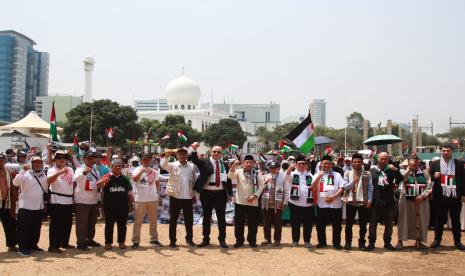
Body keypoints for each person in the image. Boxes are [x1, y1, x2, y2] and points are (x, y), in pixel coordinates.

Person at [191, 143, 232, 249]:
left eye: (219, 152)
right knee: (207, 217)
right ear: (211, 152)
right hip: (207, 194)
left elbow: (229, 180)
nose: (216, 153)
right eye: (214, 151)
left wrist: (230, 193)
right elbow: (195, 161)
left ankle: (222, 240)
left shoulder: (225, 164)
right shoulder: (205, 162)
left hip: (221, 194)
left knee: (221, 218)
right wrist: (194, 149)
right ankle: (205, 239)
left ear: (222, 154)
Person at [429, 144, 465, 250]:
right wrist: (433, 176)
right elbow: (429, 179)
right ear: (441, 151)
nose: (445, 152)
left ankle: (457, 241)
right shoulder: (435, 164)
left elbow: (463, 180)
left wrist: (463, 194)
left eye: (448, 151)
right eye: (444, 150)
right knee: (439, 219)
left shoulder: (459, 164)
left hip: (455, 196)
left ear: (451, 151)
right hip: (440, 196)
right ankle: (437, 239)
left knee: (455, 219)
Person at [161, 148, 197, 248]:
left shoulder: (191, 166)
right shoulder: (172, 165)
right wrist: (167, 156)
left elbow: (194, 180)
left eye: (184, 154)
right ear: (177, 156)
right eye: (180, 154)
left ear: (187, 155)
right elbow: (163, 165)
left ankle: (189, 239)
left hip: (188, 197)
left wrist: (194, 195)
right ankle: (172, 241)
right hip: (175, 196)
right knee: (173, 219)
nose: (182, 156)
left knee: (189, 220)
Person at [367, 152, 403, 251]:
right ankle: (371, 243)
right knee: (373, 224)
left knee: (389, 224)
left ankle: (387, 243)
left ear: (388, 160)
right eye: (382, 159)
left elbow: (400, 179)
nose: (383, 161)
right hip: (375, 202)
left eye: (385, 159)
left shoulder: (391, 170)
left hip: (389, 202)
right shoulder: (371, 171)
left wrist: (395, 169)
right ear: (377, 159)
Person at [13, 156, 48, 256]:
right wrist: (23, 171)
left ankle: (33, 245)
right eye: (35, 162)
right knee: (24, 229)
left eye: (39, 162)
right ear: (31, 164)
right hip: (26, 206)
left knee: (36, 228)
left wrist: (45, 203)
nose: (37, 164)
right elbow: (15, 183)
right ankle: (23, 248)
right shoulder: (25, 173)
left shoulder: (43, 175)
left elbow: (45, 190)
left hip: (39, 206)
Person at [228, 155, 264, 248]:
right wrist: (233, 166)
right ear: (244, 163)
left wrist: (255, 196)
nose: (249, 164)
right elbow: (230, 176)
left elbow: (261, 186)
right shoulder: (239, 171)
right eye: (247, 162)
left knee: (253, 223)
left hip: (253, 201)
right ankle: (239, 240)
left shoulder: (257, 172)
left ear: (254, 163)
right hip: (240, 201)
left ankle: (252, 241)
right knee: (239, 223)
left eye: (251, 162)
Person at [397, 155, 432, 249]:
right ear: (408, 162)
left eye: (416, 161)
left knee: (422, 220)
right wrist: (408, 169)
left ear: (419, 162)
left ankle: (419, 240)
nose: (415, 163)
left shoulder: (424, 172)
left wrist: (423, 195)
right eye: (412, 161)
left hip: (421, 201)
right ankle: (400, 240)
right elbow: (402, 179)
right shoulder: (403, 171)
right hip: (406, 200)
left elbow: (429, 186)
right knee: (404, 220)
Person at [312, 155, 347, 249]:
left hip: (335, 204)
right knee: (320, 225)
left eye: (329, 163)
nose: (327, 165)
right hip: (322, 204)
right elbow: (313, 187)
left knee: (337, 225)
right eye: (325, 163)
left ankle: (336, 243)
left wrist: (334, 197)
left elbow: (342, 187)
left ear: (331, 164)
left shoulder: (337, 174)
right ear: (321, 164)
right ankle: (322, 242)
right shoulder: (316, 175)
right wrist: (319, 176)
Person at [99, 159, 133, 250]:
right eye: (115, 165)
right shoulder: (106, 176)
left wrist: (130, 204)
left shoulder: (125, 179)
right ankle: (108, 243)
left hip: (123, 206)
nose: (118, 167)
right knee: (109, 225)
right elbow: (99, 187)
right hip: (109, 206)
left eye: (119, 166)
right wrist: (103, 182)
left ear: (122, 167)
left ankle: (121, 242)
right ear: (112, 167)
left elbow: (129, 193)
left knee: (122, 225)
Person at [342, 153, 373, 250]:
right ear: (352, 163)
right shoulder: (347, 173)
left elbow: (370, 188)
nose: (357, 163)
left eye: (359, 162)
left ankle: (362, 243)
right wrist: (353, 182)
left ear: (362, 163)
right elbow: (344, 187)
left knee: (363, 224)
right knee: (349, 224)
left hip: (363, 202)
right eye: (355, 162)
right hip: (351, 201)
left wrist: (370, 200)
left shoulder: (367, 173)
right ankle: (348, 242)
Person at [131, 153, 162, 248]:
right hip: (140, 199)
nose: (147, 161)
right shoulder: (137, 169)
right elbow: (135, 179)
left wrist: (158, 195)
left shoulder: (154, 171)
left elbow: (157, 183)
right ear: (141, 161)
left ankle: (154, 239)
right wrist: (142, 172)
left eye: (148, 160)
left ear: (151, 161)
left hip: (152, 198)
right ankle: (136, 241)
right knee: (138, 221)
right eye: (145, 160)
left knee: (153, 220)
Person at [47, 150, 75, 253]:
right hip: (56, 200)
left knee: (67, 224)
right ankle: (53, 246)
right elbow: (49, 181)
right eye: (59, 157)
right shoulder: (52, 169)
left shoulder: (70, 170)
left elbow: (73, 183)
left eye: (64, 157)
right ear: (55, 160)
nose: (62, 159)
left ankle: (65, 242)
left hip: (68, 200)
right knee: (56, 224)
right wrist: (60, 172)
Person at [285, 156, 315, 248]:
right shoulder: (293, 174)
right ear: (296, 165)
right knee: (295, 223)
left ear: (306, 165)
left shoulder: (310, 175)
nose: (301, 165)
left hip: (308, 203)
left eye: (303, 164)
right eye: (299, 164)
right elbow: (286, 176)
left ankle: (307, 241)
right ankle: (295, 241)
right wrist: (291, 167)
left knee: (308, 223)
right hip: (295, 203)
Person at [73, 151, 101, 251]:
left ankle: (89, 239)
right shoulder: (80, 169)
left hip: (93, 200)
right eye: (88, 158)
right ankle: (81, 242)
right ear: (84, 159)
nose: (91, 160)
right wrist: (84, 173)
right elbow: (75, 179)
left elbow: (97, 183)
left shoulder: (95, 170)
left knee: (91, 223)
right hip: (82, 200)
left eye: (92, 158)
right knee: (82, 223)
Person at [261, 161, 288, 246]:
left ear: (278, 168)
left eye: (274, 168)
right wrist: (264, 183)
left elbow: (287, 191)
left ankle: (277, 240)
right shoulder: (265, 177)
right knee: (266, 223)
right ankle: (267, 239)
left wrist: (284, 202)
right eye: (271, 168)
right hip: (266, 203)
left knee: (277, 223)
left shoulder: (283, 177)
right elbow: (260, 188)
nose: (272, 170)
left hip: (278, 203)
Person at [0, 152, 18, 252]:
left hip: (6, 202)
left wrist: (15, 196)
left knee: (10, 224)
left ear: (5, 161)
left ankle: (11, 245)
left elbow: (14, 185)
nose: (0, 162)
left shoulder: (9, 172)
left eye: (2, 160)